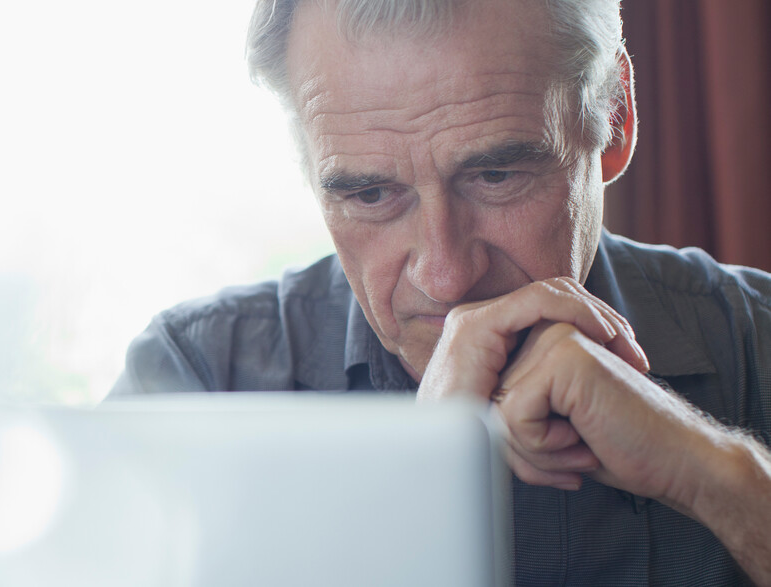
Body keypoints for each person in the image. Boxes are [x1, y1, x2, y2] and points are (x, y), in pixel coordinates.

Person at [111, 0, 771, 583]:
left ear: (615, 118)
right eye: (370, 194)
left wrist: (713, 477)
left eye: (497, 174)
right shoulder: (195, 381)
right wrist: (420, 485)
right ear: (309, 168)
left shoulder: (755, 339)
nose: (446, 276)